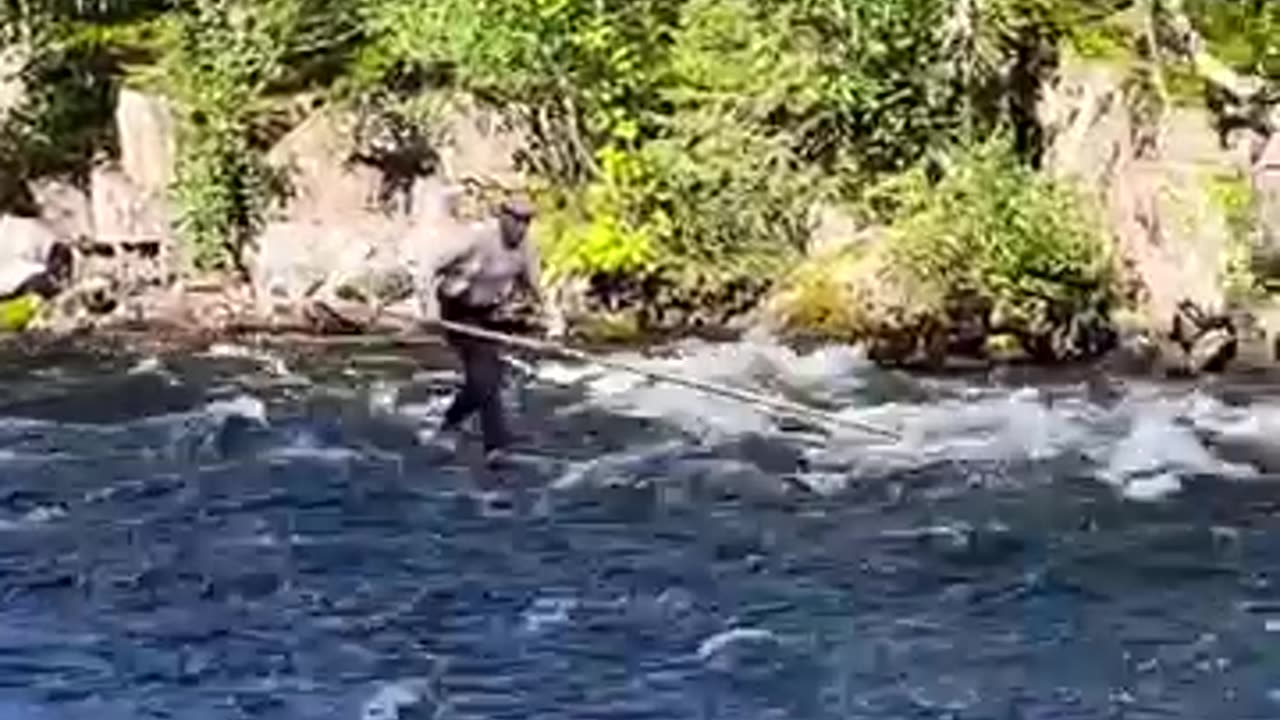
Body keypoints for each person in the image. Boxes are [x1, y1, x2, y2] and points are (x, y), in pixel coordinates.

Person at [415, 195, 548, 464]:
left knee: (486, 378)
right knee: (487, 376)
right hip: (457, 311)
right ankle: (490, 445)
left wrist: (553, 319)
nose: (521, 228)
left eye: (527, 221)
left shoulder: (526, 249)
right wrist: (428, 308)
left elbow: (536, 288)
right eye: (516, 220)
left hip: (487, 315)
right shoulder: (476, 239)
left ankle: (465, 431)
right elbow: (427, 269)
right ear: (503, 217)